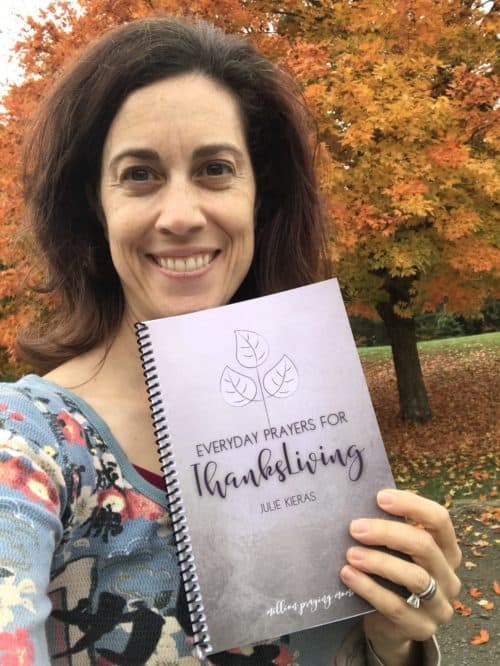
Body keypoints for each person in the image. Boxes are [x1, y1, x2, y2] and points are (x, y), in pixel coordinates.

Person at [0, 16, 461, 665]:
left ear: (258, 196)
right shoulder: (27, 445)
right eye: (139, 174)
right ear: (93, 202)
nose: (183, 214)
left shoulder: (312, 427)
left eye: (215, 168)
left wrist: (391, 640)